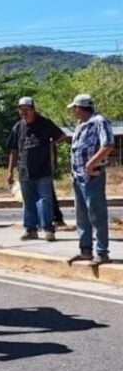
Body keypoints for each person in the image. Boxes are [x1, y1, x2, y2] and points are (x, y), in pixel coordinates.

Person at [6, 97, 67, 242]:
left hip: (43, 170)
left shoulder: (44, 123)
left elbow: (62, 135)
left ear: (33, 109)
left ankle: (48, 229)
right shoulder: (18, 127)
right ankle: (30, 229)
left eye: (27, 109)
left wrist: (51, 144)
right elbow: (13, 150)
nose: (24, 112)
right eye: (21, 110)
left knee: (45, 201)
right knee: (28, 202)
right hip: (24, 171)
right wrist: (10, 171)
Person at [66, 94, 114, 265]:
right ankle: (85, 250)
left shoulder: (99, 121)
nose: (73, 112)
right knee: (82, 215)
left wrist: (90, 164)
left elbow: (107, 144)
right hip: (78, 177)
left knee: (97, 214)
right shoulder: (81, 124)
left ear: (80, 108)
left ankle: (102, 252)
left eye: (74, 109)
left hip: (92, 176)